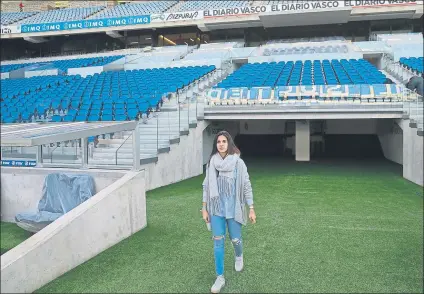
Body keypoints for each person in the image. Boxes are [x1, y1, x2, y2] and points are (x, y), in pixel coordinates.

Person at [202, 130, 256, 293]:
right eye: (218, 142)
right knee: (218, 242)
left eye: (224, 141)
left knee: (235, 240)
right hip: (216, 208)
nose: (221, 144)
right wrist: (204, 208)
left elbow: (246, 185)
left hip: (233, 208)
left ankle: (239, 256)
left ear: (229, 143)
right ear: (216, 145)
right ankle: (220, 277)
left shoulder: (238, 163)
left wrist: (251, 208)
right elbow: (206, 186)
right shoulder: (211, 163)